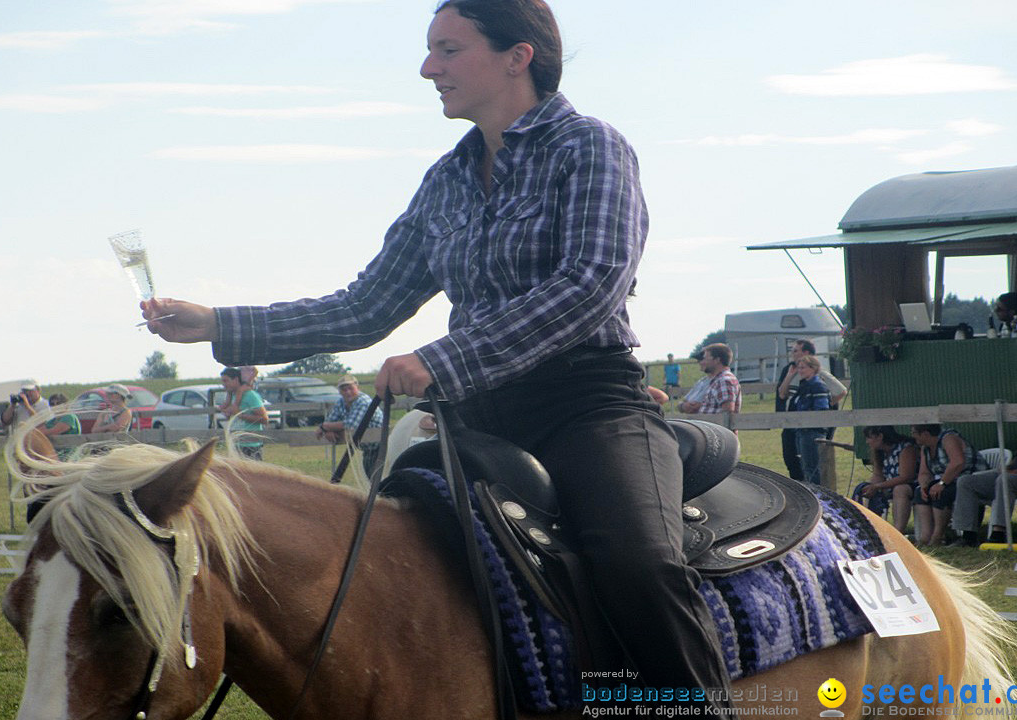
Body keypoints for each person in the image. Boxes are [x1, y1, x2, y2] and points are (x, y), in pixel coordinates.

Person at [140, 0, 731, 705]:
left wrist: (444, 361)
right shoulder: (446, 181)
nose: (428, 68)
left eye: (448, 50)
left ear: (519, 56)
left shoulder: (591, 147)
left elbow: (591, 285)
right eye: (431, 51)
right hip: (474, 422)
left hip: (587, 406)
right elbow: (365, 307)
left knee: (638, 564)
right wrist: (216, 324)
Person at [951, 389, 1017, 546]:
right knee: (966, 481)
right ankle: (967, 535)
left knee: (1005, 480)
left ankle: (999, 532)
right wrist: (1008, 466)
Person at [776, 340, 847, 480]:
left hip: (810, 427)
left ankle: (814, 494)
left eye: (796, 351)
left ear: (806, 353)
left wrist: (825, 402)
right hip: (792, 424)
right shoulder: (791, 370)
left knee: (811, 465)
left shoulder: (818, 376)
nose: (792, 354)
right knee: (793, 460)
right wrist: (790, 375)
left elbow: (841, 391)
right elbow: (782, 394)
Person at [911, 424, 983, 546]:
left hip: (968, 479)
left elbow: (958, 463)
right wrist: (924, 485)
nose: (912, 436)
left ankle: (938, 536)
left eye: (914, 433)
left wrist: (941, 483)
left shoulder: (948, 438)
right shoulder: (925, 448)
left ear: (925, 434)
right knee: (919, 492)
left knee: (942, 493)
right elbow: (924, 472)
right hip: (945, 480)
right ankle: (925, 537)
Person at [317, 374, 385, 474]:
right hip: (368, 450)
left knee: (379, 483)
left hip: (382, 448)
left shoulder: (363, 401)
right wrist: (328, 430)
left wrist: (324, 427)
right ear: (339, 392)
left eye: (350, 388)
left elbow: (351, 426)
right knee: (371, 482)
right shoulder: (341, 402)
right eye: (344, 390)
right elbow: (330, 420)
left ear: (357, 387)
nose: (348, 392)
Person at [855, 426, 918, 532]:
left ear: (880, 436)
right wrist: (871, 487)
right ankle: (870, 529)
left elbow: (906, 477)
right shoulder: (880, 452)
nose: (867, 442)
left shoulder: (905, 448)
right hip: (888, 485)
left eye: (869, 438)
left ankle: (898, 531)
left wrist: (878, 486)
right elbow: (878, 475)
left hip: (910, 486)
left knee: (900, 489)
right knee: (863, 489)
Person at [790, 355, 831, 485]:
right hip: (802, 430)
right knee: (806, 467)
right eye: (799, 368)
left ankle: (818, 496)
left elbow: (822, 409)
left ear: (813, 368)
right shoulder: (805, 385)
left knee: (812, 468)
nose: (800, 371)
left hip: (812, 431)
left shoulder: (818, 386)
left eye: (803, 368)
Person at [220, 367, 270, 460]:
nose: (224, 385)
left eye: (226, 381)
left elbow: (264, 419)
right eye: (222, 381)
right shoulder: (232, 396)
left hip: (250, 445)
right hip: (236, 444)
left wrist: (240, 415)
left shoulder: (250, 395)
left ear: (235, 379)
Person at [677, 343, 740, 416]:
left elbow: (727, 413)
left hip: (712, 426)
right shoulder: (711, 380)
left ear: (717, 360)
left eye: (705, 358)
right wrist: (685, 406)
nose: (701, 362)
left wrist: (699, 407)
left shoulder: (724, 380)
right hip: (704, 425)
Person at [39, 393, 82, 459]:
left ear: (66, 405)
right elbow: (40, 430)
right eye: (52, 404)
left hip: (68, 456)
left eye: (58, 403)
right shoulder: (53, 420)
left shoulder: (69, 417)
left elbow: (54, 431)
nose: (55, 406)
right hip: (54, 454)